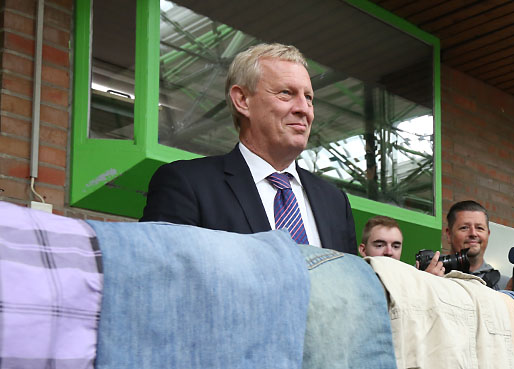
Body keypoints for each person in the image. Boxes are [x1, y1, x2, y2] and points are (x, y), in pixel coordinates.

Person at [141, 43, 357, 254]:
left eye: (308, 98)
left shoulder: (335, 202)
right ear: (242, 100)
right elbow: (163, 278)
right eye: (286, 93)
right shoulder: (187, 184)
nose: (304, 109)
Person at [422, 201, 507, 289]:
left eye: (479, 228)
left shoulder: (504, 285)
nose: (473, 234)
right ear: (449, 235)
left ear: (488, 234)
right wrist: (427, 283)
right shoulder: (426, 272)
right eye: (464, 228)